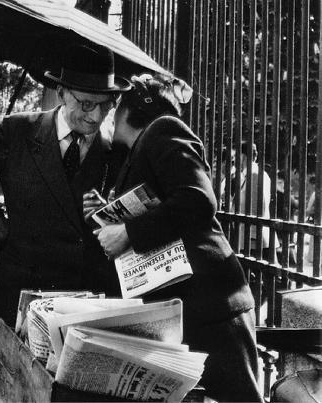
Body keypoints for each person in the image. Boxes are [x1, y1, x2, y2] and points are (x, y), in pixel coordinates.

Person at [87, 73, 263, 402]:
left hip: (212, 309)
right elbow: (163, 204)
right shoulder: (142, 147)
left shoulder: (163, 130)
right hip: (188, 307)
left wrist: (128, 233)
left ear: (127, 110)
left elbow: (198, 198)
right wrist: (111, 214)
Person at [0, 43, 130, 353]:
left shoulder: (116, 151)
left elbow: (128, 217)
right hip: (22, 290)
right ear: (61, 92)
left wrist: (107, 214)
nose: (95, 116)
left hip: (84, 301)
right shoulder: (20, 130)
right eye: (86, 104)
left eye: (106, 105)